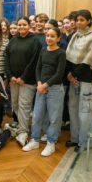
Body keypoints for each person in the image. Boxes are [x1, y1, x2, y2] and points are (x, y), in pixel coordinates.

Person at [22, 28, 66, 156]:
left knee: (54, 118)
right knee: (37, 115)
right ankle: (35, 140)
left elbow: (59, 73)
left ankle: (51, 143)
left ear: (58, 38)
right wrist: (40, 83)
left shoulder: (61, 53)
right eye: (47, 35)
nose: (49, 38)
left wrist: (45, 85)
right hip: (41, 88)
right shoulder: (43, 50)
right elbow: (38, 69)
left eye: (52, 36)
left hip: (55, 89)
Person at [65, 9, 92, 152]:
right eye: (77, 20)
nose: (78, 22)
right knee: (73, 110)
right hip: (73, 79)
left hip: (86, 79)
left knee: (85, 112)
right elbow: (68, 57)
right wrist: (70, 74)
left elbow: (89, 60)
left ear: (88, 21)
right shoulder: (75, 36)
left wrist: (74, 74)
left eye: (82, 20)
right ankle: (75, 138)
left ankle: (85, 142)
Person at [4, 16, 42, 146]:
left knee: (24, 105)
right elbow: (6, 59)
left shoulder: (35, 41)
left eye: (24, 25)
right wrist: (11, 76)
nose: (21, 27)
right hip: (13, 80)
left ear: (29, 26)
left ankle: (23, 132)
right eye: (19, 25)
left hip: (27, 80)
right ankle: (21, 128)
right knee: (15, 104)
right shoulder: (13, 41)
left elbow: (34, 62)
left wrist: (23, 78)